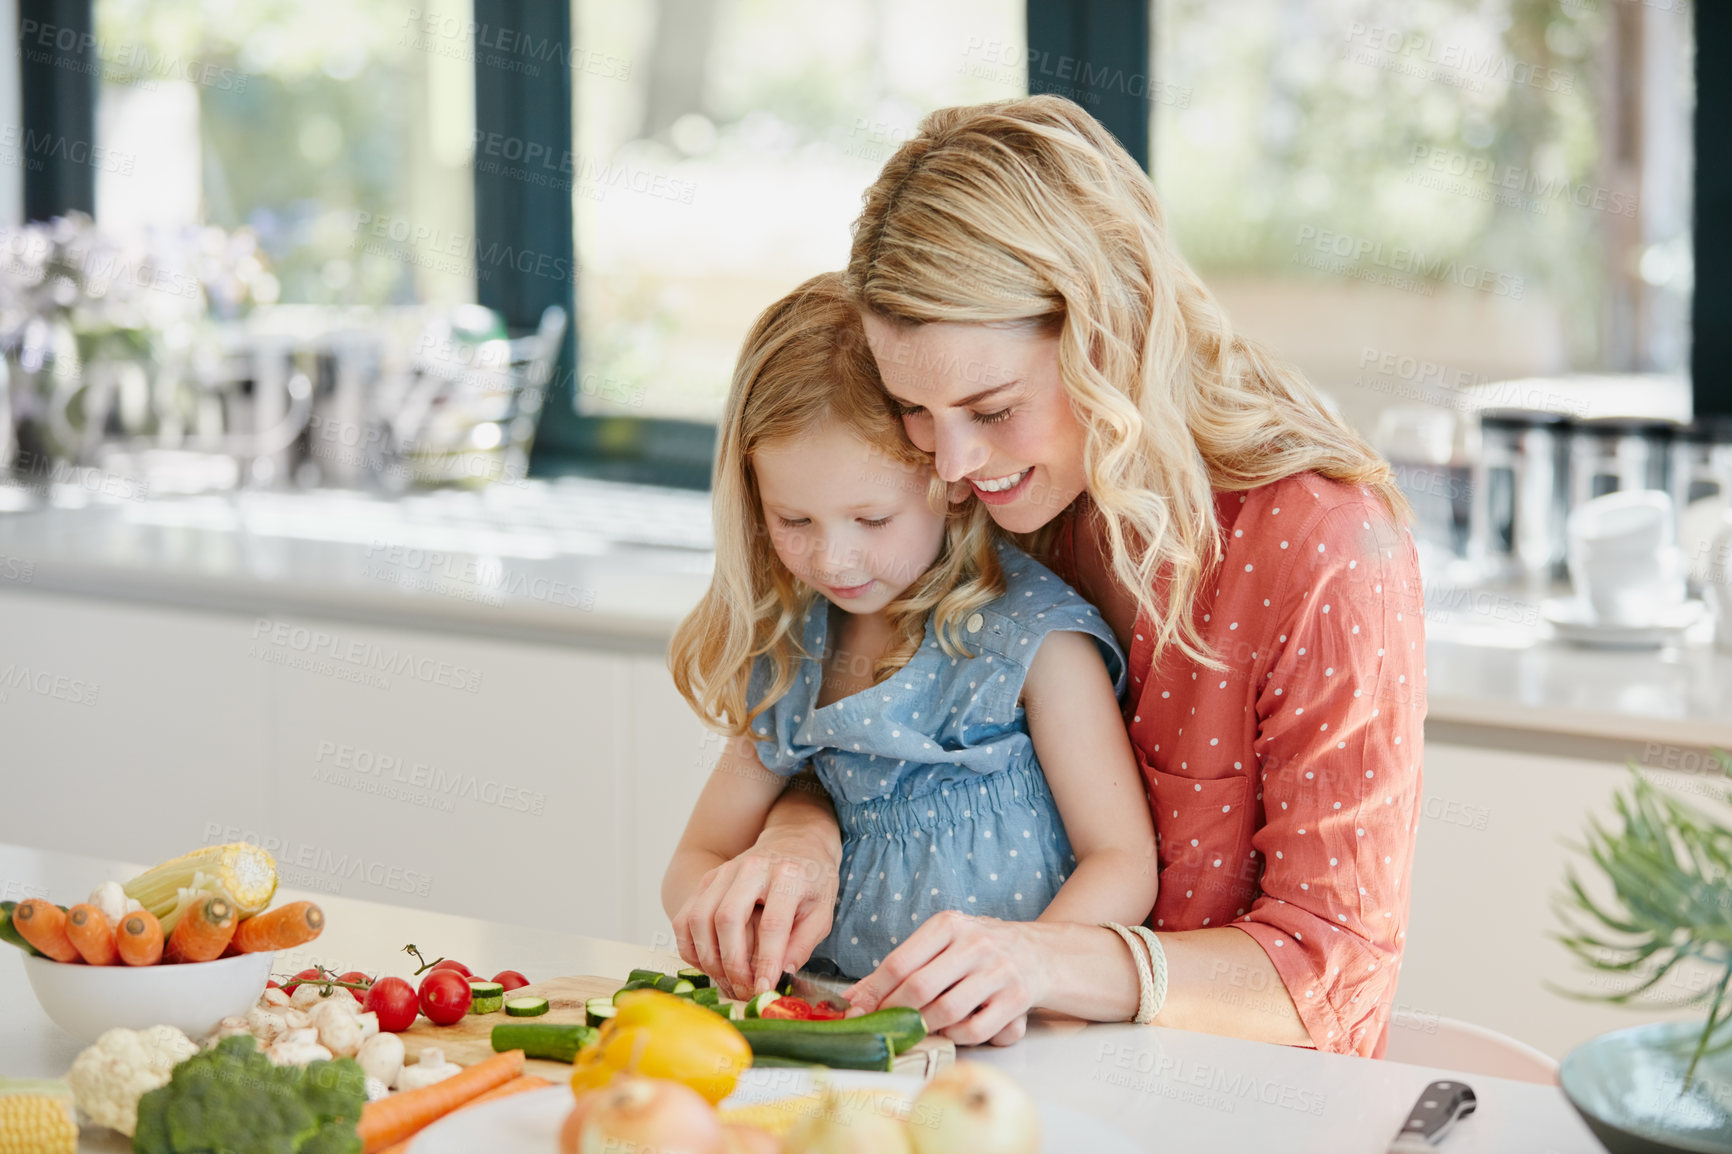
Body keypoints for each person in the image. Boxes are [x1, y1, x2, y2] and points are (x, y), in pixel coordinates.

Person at [673, 97, 1427, 1058]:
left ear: (1108, 333)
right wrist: (802, 832)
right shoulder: (985, 497)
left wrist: (1045, 961)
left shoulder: (1325, 548)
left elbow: (1334, 975)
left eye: (991, 406)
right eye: (914, 409)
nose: (949, 465)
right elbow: (881, 748)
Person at [662, 272, 1158, 1001]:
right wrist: (728, 915)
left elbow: (1122, 861)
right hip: (837, 1028)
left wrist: (1024, 971)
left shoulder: (1034, 644)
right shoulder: (796, 651)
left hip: (1010, 1036)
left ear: (950, 478)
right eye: (794, 521)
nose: (833, 560)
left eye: (872, 520)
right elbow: (695, 857)